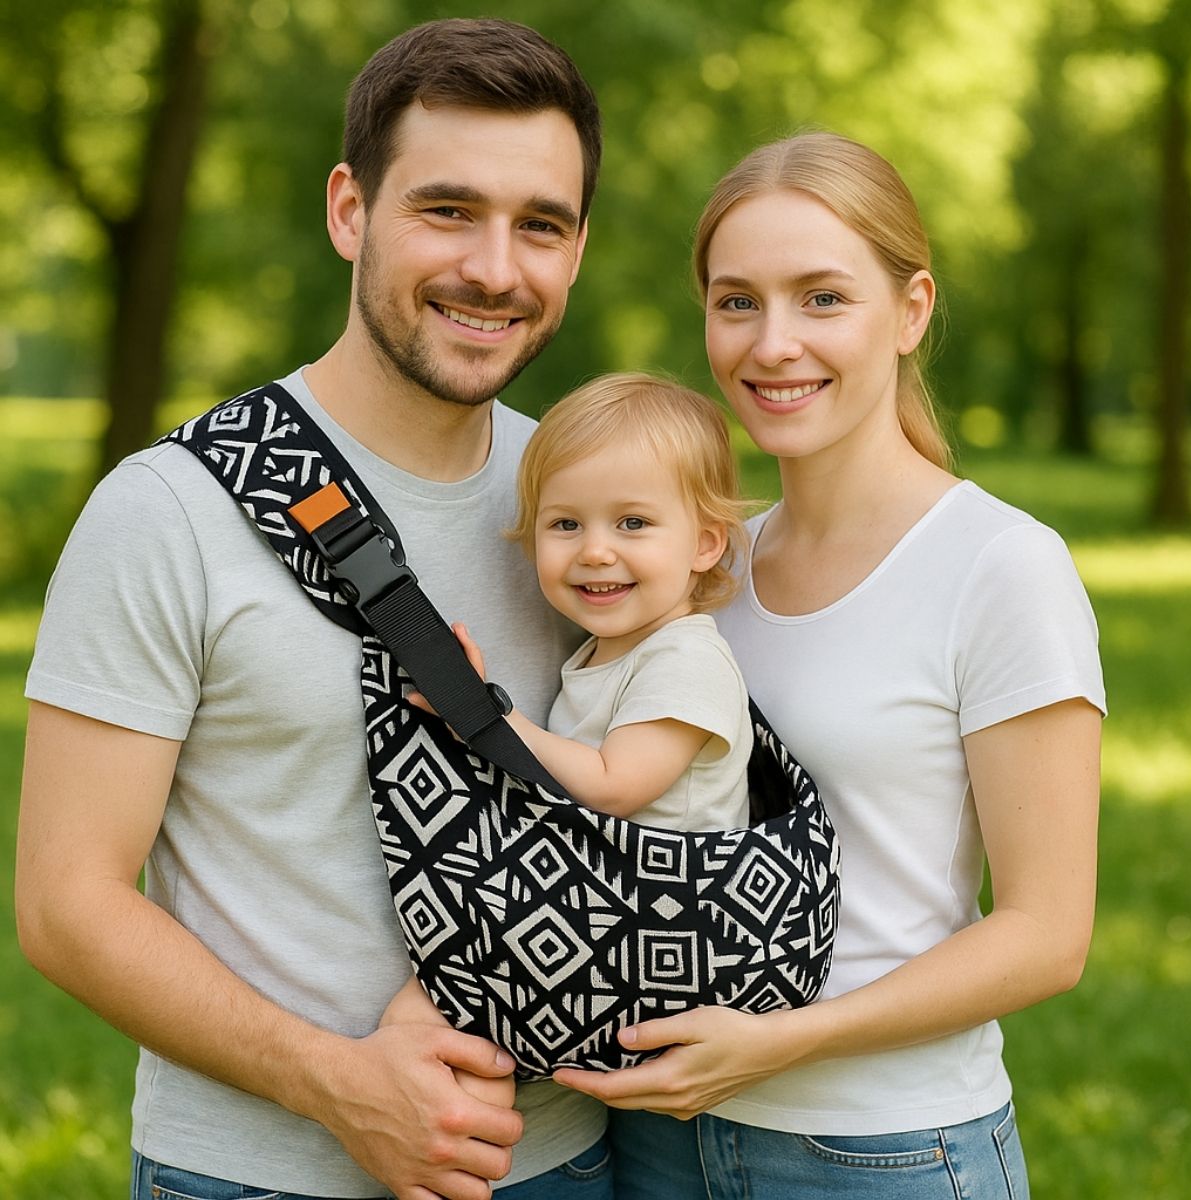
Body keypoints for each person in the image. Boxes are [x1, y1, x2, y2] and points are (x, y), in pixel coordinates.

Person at [15, 18, 614, 1200]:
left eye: (539, 224)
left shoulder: (589, 507)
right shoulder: (168, 513)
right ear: (350, 211)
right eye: (447, 211)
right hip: (254, 1176)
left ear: (578, 248)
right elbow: (65, 904)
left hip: (564, 1166)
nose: (495, 269)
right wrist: (336, 1082)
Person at [557, 131, 1105, 1199]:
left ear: (910, 311)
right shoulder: (697, 567)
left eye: (821, 299)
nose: (772, 345)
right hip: (654, 1139)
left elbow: (1048, 937)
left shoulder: (1000, 568)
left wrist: (788, 1042)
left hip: (881, 1153)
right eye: (736, 302)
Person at [420, 371, 753, 833]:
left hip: (670, 900)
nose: (595, 552)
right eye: (566, 525)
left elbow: (614, 786)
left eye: (633, 523)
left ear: (704, 544)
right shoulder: (603, 649)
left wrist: (487, 714)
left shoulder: (687, 660)